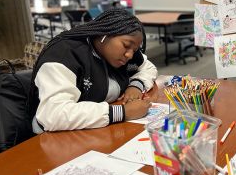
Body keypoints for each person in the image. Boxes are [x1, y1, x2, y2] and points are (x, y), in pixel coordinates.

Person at [28, 8, 158, 133]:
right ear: (104, 35)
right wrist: (121, 112)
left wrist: (135, 86)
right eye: (126, 45)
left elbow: (148, 68)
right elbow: (53, 114)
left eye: (134, 50)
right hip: (57, 137)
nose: (130, 55)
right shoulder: (65, 54)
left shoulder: (124, 54)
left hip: (98, 130)